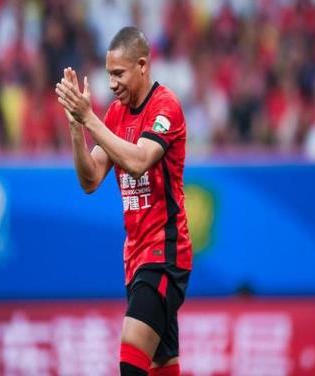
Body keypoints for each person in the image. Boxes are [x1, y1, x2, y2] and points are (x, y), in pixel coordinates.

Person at [56, 26, 192, 376]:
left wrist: (90, 118)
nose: (112, 83)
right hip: (135, 256)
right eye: (108, 75)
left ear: (142, 65)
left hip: (164, 254)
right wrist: (77, 129)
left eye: (118, 74)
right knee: (162, 364)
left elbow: (138, 160)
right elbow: (90, 180)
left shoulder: (165, 107)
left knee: (131, 360)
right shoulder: (116, 115)